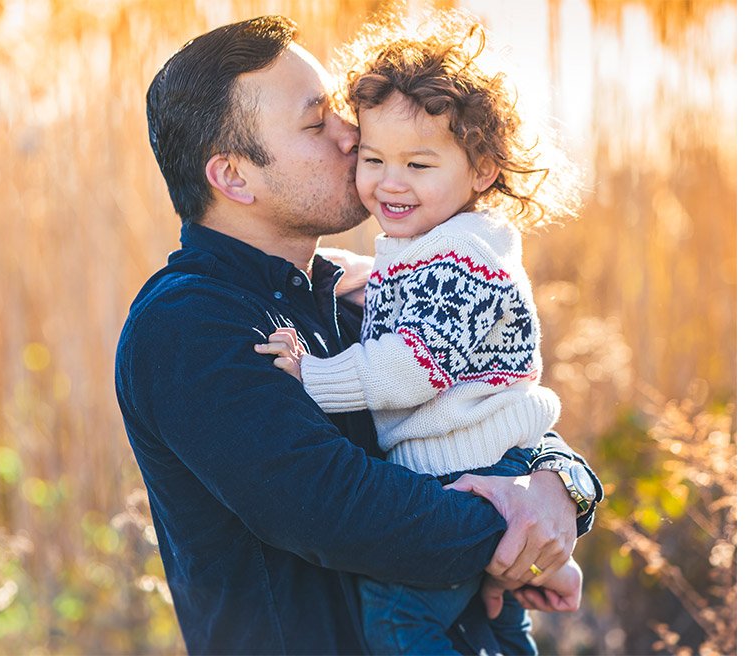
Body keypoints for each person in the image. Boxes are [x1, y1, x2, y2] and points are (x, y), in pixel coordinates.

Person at [115, 15, 603, 654]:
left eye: (341, 113)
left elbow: (484, 403)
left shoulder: (350, 289)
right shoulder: (188, 327)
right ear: (234, 177)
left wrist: (561, 485)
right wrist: (511, 526)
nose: (353, 135)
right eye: (318, 123)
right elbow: (338, 508)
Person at [256, 14, 591, 655]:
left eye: (418, 163)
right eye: (374, 158)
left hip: (467, 471)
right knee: (497, 626)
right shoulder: (446, 245)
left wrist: (310, 376)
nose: (390, 182)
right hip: (479, 467)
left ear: (483, 169)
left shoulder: (462, 259)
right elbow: (419, 291)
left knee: (398, 624)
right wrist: (367, 271)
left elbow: (411, 365)